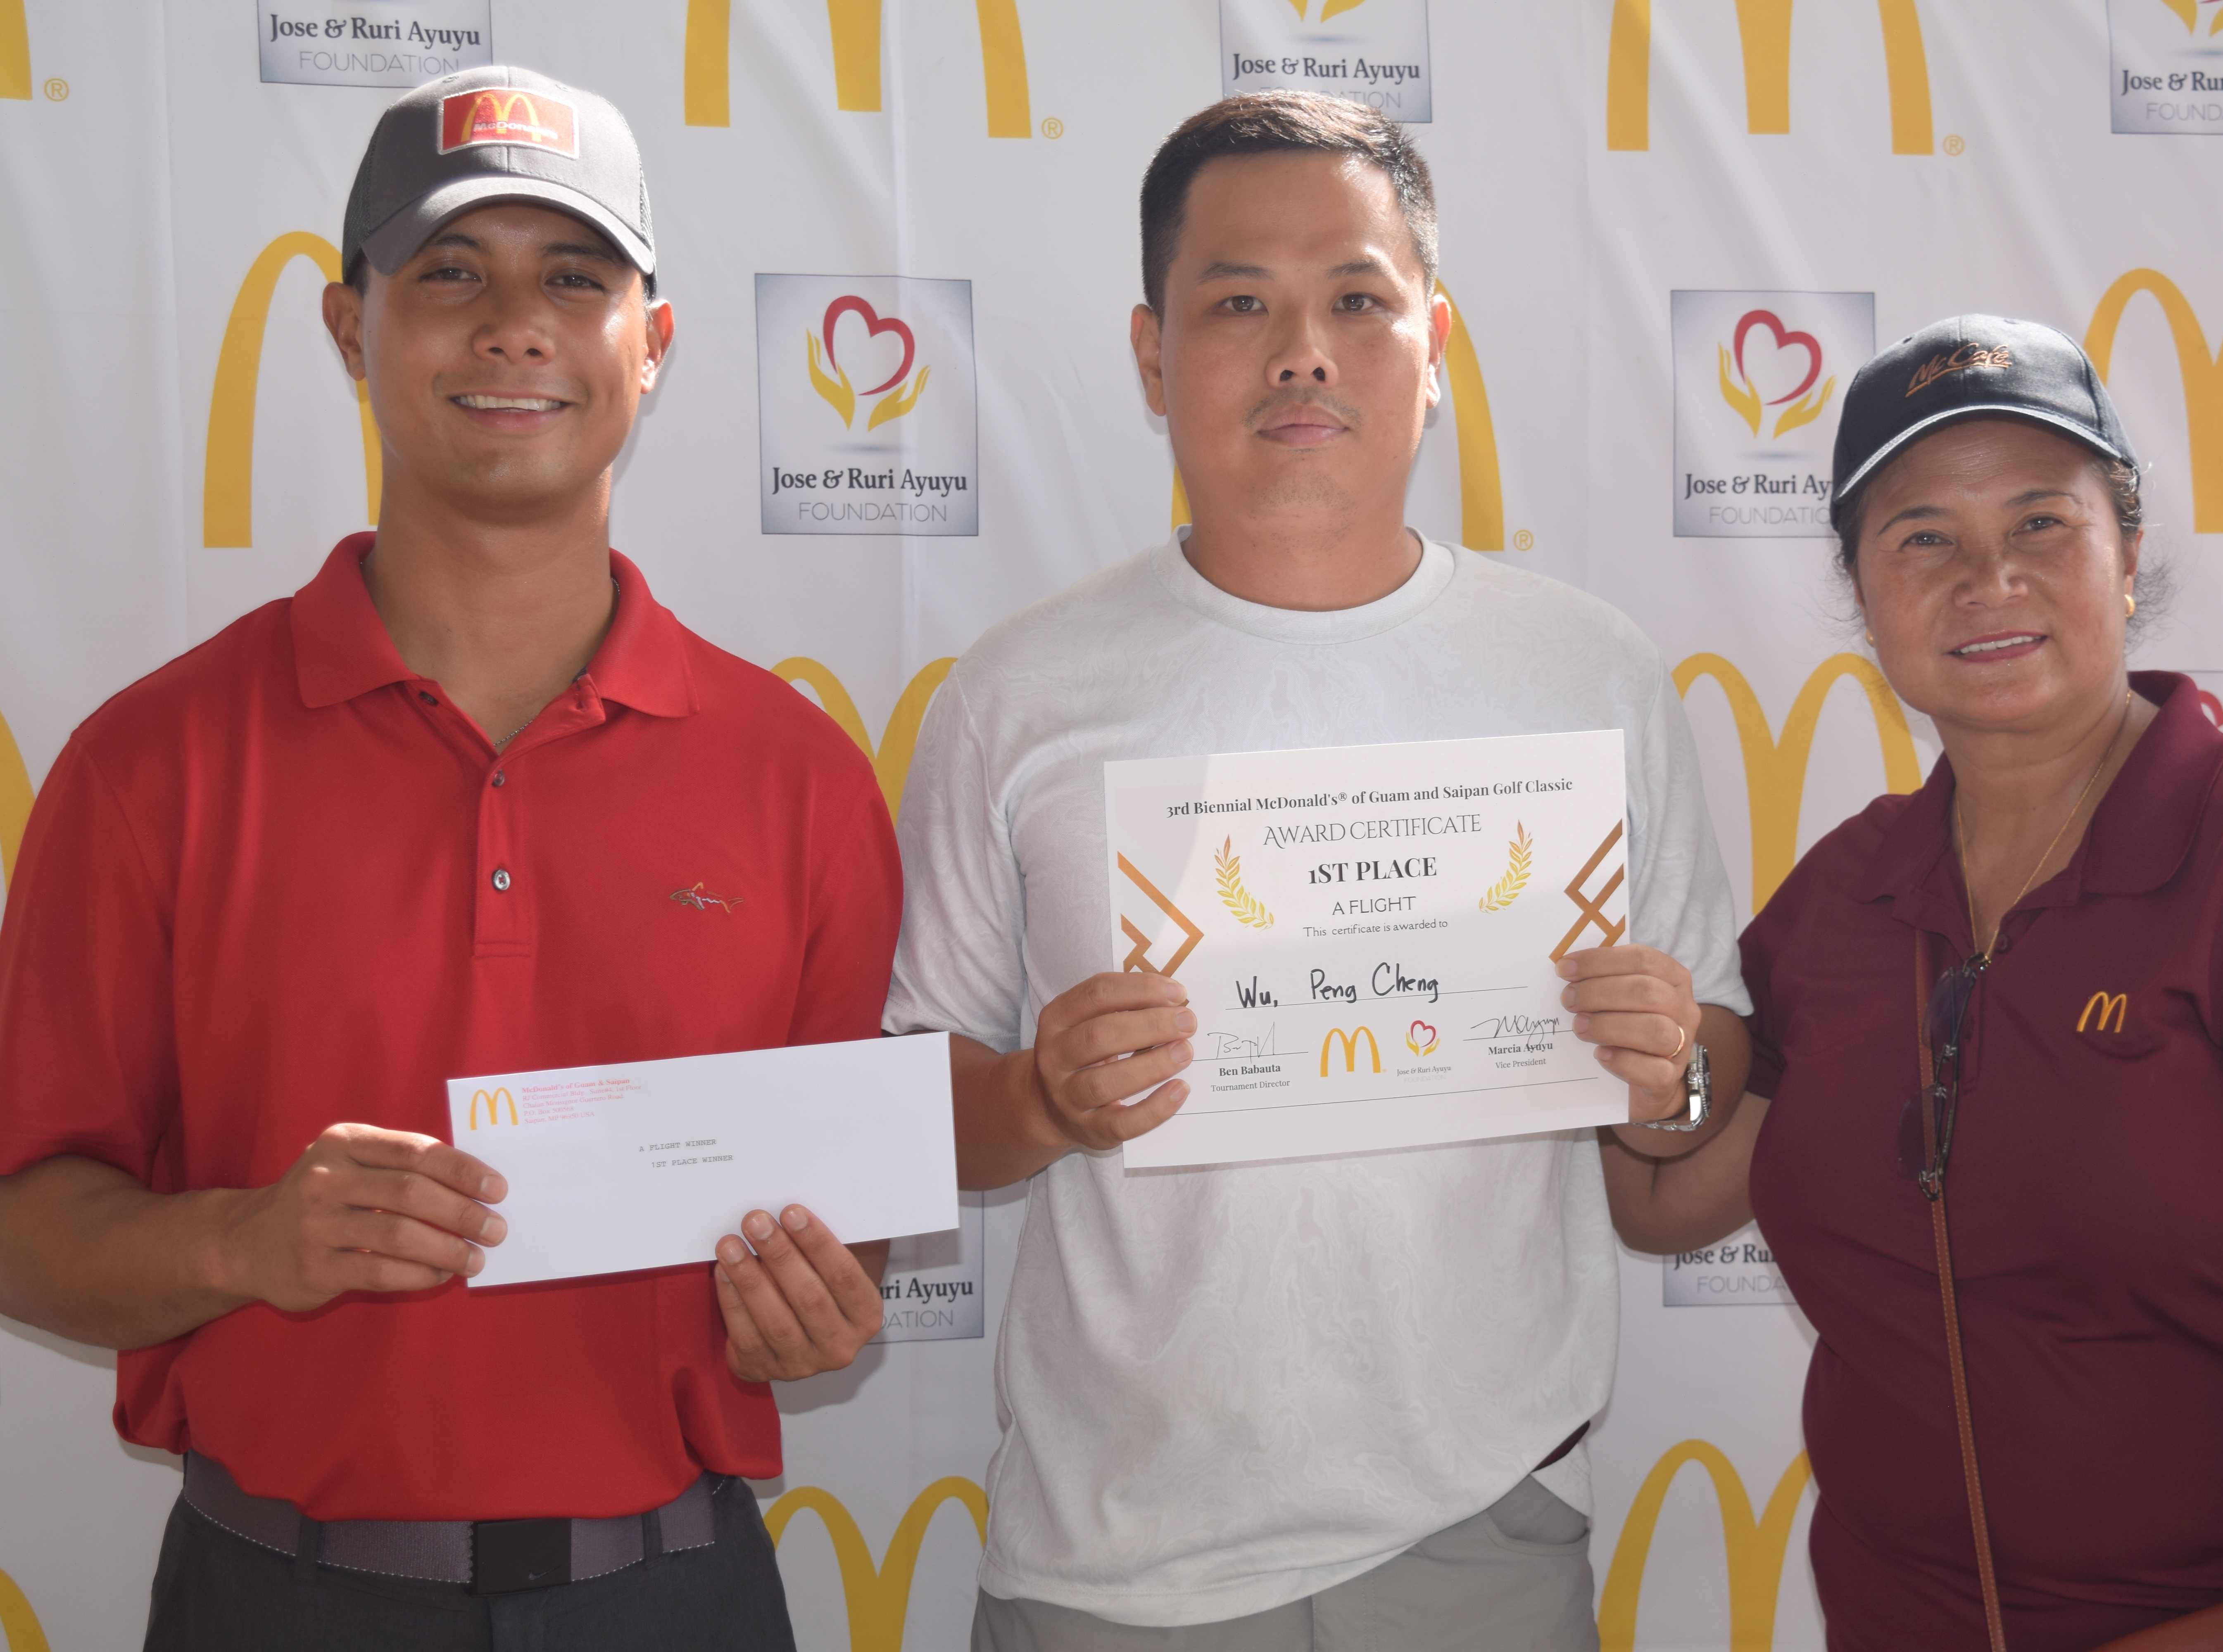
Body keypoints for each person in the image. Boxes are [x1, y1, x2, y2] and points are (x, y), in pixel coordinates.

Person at [0, 66, 901, 1650]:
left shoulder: (802, 779)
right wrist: (244, 1240)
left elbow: (832, 1226)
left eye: (574, 276)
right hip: (274, 1596)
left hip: (673, 1595)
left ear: (656, 341)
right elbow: (20, 1219)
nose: (513, 327)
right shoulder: (153, 764)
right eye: (448, 276)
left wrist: (811, 1306)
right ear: (350, 331)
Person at [882, 90, 1753, 1650]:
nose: (1303, 351)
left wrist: (1671, 1071)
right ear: (1151, 357)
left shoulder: (1591, 672)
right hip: (1112, 1555)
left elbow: (1708, 1081)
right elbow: (915, 1105)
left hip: (1480, 1521)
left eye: (1358, 298)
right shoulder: (1015, 695)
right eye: (1238, 303)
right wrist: (1044, 1098)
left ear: (1432, 343)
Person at [1602, 315, 2223, 1652]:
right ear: (1862, 592)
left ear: (2127, 554)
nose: (1986, 579)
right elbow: (1666, 1193)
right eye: (1923, 539)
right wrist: (1637, 1070)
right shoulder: (1849, 893)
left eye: (2042, 525)